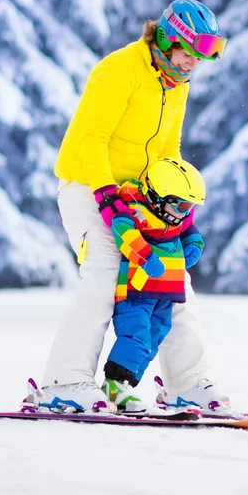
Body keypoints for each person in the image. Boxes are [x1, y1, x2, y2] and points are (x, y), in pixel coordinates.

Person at [40, 0, 230, 413]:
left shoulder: (176, 82)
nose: (192, 65)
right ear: (166, 39)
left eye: (201, 58)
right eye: (187, 53)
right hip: (87, 187)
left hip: (140, 199)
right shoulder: (118, 70)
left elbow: (169, 148)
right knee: (105, 274)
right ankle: (64, 381)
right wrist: (105, 194)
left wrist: (178, 206)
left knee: (175, 283)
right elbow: (93, 138)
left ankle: (187, 382)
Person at [100, 157, 208, 413]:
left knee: (152, 339)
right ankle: (114, 385)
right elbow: (123, 229)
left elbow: (189, 230)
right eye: (181, 205)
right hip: (137, 291)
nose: (185, 213)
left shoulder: (175, 219)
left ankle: (126, 385)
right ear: (159, 197)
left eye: (190, 206)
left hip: (165, 293)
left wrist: (195, 244)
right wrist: (145, 256)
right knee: (135, 336)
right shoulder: (138, 211)